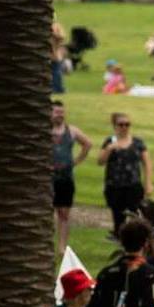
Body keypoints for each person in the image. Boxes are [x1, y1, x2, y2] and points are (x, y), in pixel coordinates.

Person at [99, 112, 151, 235]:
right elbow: (100, 162)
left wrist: (148, 183)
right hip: (114, 186)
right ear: (115, 126)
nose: (124, 127)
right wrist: (109, 149)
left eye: (127, 124)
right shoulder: (109, 142)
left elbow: (147, 163)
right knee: (118, 218)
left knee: (136, 216)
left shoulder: (138, 143)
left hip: (133, 185)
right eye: (121, 124)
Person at [50, 100, 91, 248]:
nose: (59, 115)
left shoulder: (71, 131)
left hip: (66, 178)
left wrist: (76, 161)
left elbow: (87, 143)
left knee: (64, 214)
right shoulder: (44, 131)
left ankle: (62, 246)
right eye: (56, 112)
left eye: (62, 112)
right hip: (48, 178)